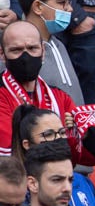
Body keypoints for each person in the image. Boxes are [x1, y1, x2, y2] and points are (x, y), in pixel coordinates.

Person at [0, 21, 81, 152]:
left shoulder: (60, 96)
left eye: (32, 48)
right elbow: (8, 146)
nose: (25, 57)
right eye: (16, 50)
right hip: (16, 171)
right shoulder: (2, 94)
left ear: (43, 51)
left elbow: (83, 155)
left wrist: (83, 134)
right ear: (2, 54)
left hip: (60, 170)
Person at [14, 0, 83, 104]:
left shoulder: (58, 44)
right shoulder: (18, 49)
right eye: (62, 2)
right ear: (38, 6)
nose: (69, 9)